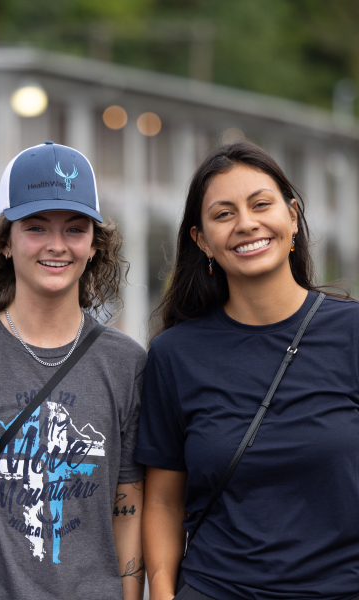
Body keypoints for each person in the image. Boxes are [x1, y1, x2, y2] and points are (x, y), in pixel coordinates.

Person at [134, 139, 359, 600]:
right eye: (223, 214)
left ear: (292, 217)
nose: (247, 224)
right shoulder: (175, 354)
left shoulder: (352, 332)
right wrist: (160, 593)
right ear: (202, 241)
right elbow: (162, 500)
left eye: (261, 205)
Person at [0, 141, 146, 600]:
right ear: (5, 241)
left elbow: (129, 506)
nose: (57, 245)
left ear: (95, 245)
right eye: (36, 227)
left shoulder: (126, 363)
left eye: (75, 229)